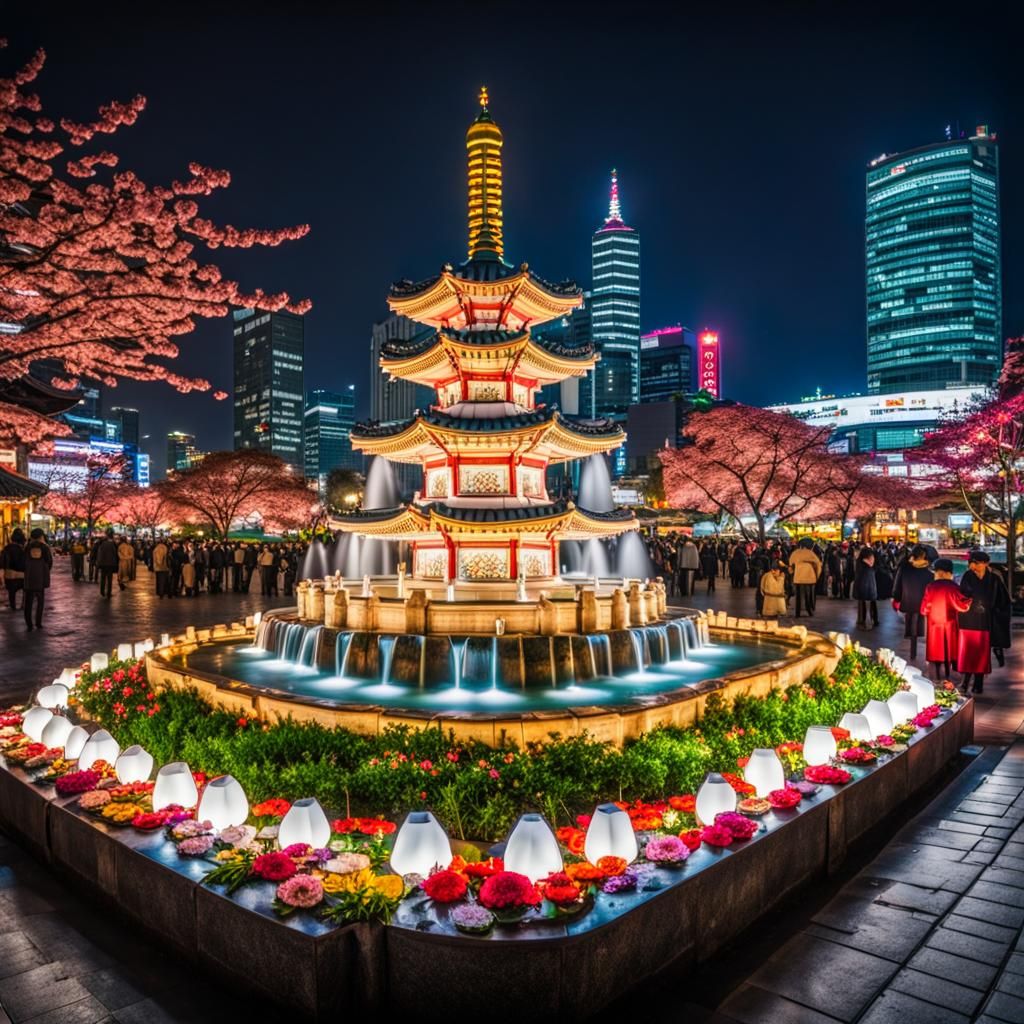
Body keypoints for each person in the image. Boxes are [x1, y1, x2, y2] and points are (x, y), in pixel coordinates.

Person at [957, 550, 1011, 695]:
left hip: (985, 622)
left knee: (981, 654)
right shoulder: (968, 576)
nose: (973, 566)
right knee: (968, 653)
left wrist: (994, 612)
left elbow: (1003, 601)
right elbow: (962, 594)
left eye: (976, 563)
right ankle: (965, 681)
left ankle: (978, 683)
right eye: (972, 563)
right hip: (968, 621)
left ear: (985, 564)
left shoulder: (994, 579)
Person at [920, 559, 971, 682]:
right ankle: (950, 674)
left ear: (937, 572)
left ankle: (935, 676)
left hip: (934, 625)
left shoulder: (930, 587)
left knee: (935, 650)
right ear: (949, 573)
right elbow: (962, 606)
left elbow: (924, 609)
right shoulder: (954, 587)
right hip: (950, 624)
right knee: (950, 649)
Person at [891, 545, 934, 661]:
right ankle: (916, 650)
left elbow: (897, 585)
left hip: (908, 601)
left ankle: (912, 649)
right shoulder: (929, 572)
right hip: (922, 604)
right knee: (919, 626)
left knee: (911, 624)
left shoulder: (905, 568)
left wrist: (896, 597)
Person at [23, 528, 52, 631]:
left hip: (29, 578)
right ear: (41, 536)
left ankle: (29, 624)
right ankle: (38, 623)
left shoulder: (27, 547)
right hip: (40, 578)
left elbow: (23, 562)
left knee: (28, 602)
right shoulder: (45, 548)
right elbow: (49, 562)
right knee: (40, 601)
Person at [789, 537, 822, 617]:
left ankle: (797, 613)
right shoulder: (811, 554)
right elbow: (818, 565)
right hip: (810, 578)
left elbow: (790, 565)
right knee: (808, 596)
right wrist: (817, 576)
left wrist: (792, 573)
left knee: (798, 596)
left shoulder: (795, 553)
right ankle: (809, 611)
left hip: (798, 577)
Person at [1, 527, 26, 610]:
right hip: (21, 575)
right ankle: (23, 605)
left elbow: (2, 562)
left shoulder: (6, 549)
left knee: (11, 593)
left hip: (9, 575)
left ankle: (13, 607)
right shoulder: (22, 550)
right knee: (25, 590)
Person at [853, 548, 878, 630]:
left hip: (867, 590)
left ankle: (867, 621)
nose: (873, 559)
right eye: (871, 557)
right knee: (864, 605)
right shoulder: (865, 567)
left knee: (865, 604)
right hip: (865, 590)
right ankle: (865, 622)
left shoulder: (861, 564)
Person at [95, 528, 119, 599]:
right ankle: (108, 592)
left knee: (103, 578)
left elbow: (100, 554)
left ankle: (102, 591)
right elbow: (115, 554)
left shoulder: (102, 545)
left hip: (103, 564)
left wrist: (99, 563)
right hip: (110, 564)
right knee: (109, 579)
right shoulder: (113, 544)